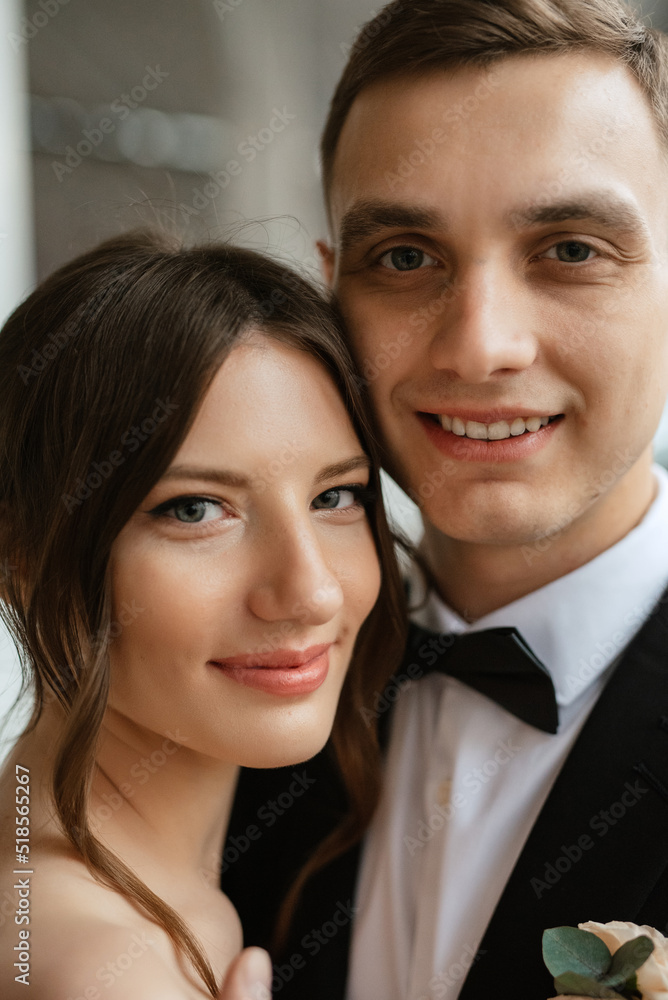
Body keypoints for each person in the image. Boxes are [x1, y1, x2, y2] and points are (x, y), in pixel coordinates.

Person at [223, 1, 668, 997]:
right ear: (332, 293)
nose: (478, 346)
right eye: (404, 258)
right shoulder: (241, 675)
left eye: (570, 250)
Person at [0, 229, 406, 999]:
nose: (312, 592)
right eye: (195, 509)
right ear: (20, 553)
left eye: (335, 496)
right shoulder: (102, 971)